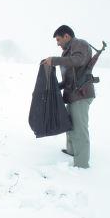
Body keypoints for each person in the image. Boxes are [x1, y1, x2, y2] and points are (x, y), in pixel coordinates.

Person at [43, 25, 95, 168]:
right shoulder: (66, 53)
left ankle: (82, 163)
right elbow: (67, 81)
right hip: (72, 95)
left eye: (59, 40)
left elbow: (77, 60)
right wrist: (53, 88)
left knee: (80, 129)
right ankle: (72, 151)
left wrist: (54, 60)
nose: (58, 43)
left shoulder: (80, 44)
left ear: (67, 36)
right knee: (70, 125)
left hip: (81, 95)